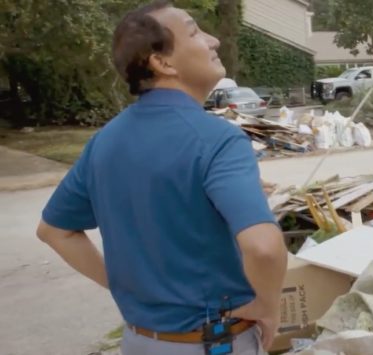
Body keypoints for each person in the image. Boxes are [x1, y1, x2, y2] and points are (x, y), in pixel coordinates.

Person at [35, 1, 287, 354]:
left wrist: (123, 286)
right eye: (194, 31)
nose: (213, 40)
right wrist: (268, 304)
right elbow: (263, 247)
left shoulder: (104, 142)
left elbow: (54, 231)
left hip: (139, 341)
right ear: (163, 63)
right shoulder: (217, 139)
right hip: (211, 344)